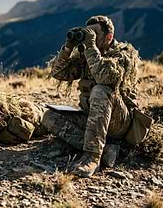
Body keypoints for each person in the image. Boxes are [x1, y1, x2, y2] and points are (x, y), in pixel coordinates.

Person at [43, 15, 140, 177]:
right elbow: (58, 73)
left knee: (100, 90)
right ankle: (105, 147)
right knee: (49, 116)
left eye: (94, 34)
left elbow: (104, 77)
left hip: (119, 123)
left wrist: (89, 45)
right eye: (88, 33)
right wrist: (68, 47)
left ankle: (92, 157)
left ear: (109, 37)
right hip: (92, 119)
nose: (90, 37)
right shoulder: (86, 55)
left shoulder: (123, 54)